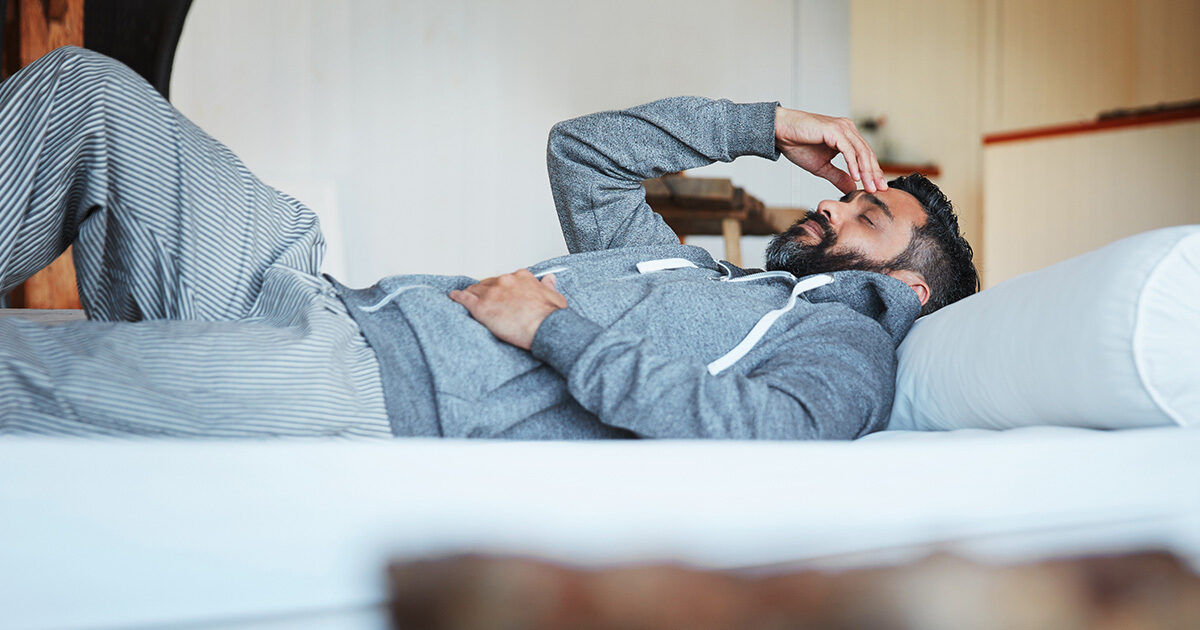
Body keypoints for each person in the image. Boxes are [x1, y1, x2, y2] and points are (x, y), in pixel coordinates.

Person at [0, 47, 977, 439]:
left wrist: (554, 330)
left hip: (362, 385)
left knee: (28, 367)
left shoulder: (848, 342)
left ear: (912, 288)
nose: (834, 212)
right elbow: (586, 153)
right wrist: (763, 126)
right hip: (309, 289)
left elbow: (770, 436)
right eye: (849, 197)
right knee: (86, 99)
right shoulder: (700, 273)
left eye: (868, 219)